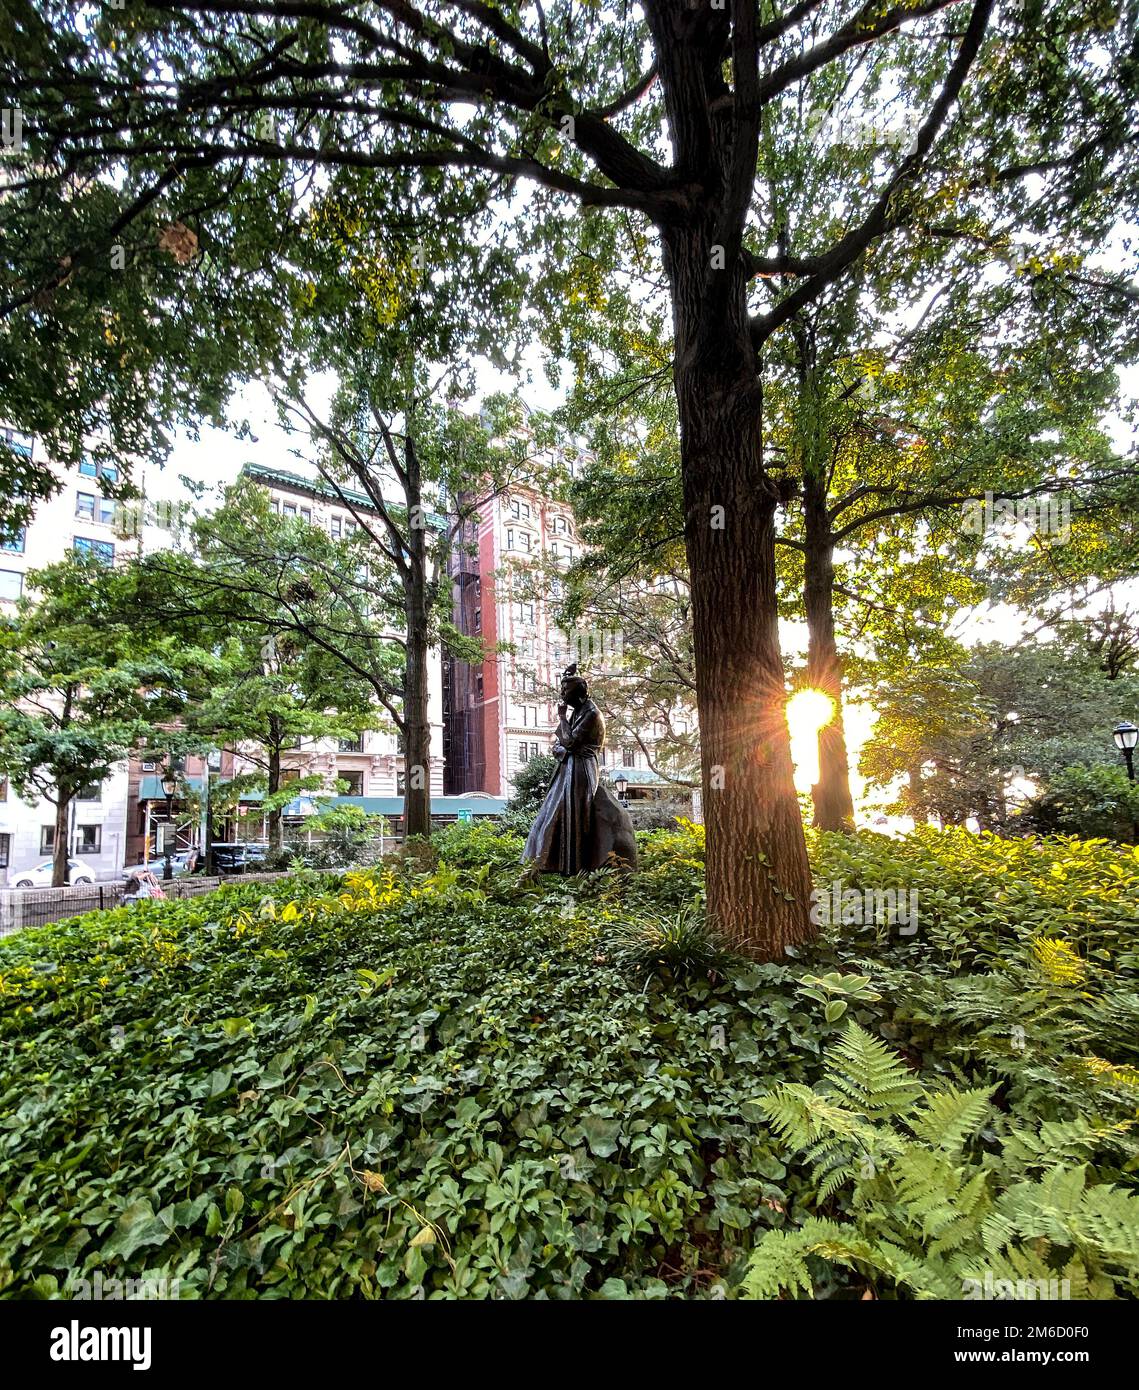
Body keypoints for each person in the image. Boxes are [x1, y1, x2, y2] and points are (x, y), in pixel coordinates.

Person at [522, 664, 637, 874]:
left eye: (565, 690)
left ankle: (573, 866)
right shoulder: (580, 712)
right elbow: (561, 744)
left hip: (581, 770)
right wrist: (564, 745)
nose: (562, 694)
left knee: (571, 814)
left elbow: (570, 742)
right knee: (550, 814)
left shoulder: (592, 713)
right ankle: (542, 863)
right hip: (569, 768)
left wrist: (562, 719)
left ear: (578, 691)